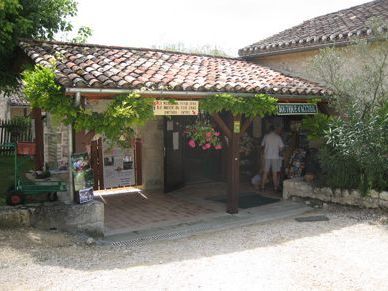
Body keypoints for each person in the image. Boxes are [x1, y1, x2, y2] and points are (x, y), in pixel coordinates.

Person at [260, 125, 284, 191]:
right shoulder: (278, 137)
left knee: (265, 172)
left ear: (269, 130)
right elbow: (281, 148)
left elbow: (262, 146)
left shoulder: (266, 136)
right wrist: (279, 150)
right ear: (274, 130)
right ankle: (275, 188)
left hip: (267, 156)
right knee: (274, 173)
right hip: (275, 157)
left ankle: (262, 187)